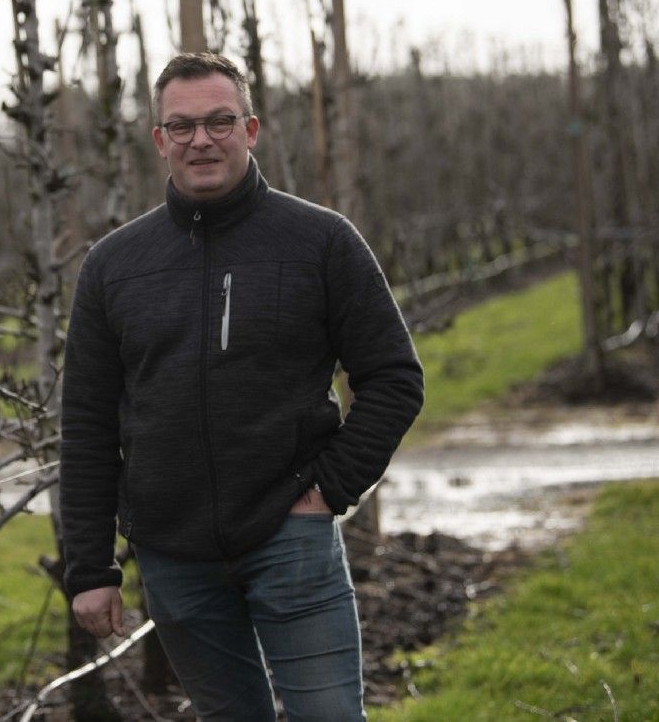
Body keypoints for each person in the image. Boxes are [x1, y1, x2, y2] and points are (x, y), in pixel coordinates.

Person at [59, 52, 424, 721]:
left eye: (219, 121)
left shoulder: (320, 241)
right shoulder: (113, 266)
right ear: (159, 139)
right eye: (182, 126)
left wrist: (329, 489)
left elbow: (395, 378)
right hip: (172, 559)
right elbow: (87, 424)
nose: (201, 139)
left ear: (250, 129)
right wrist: (90, 567)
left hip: (291, 537)